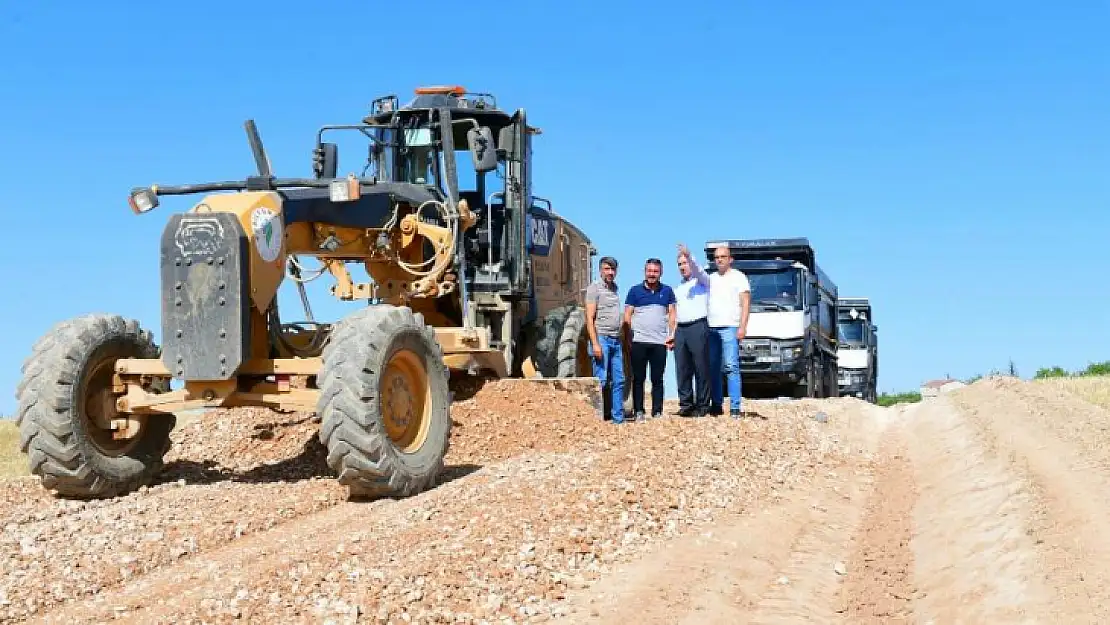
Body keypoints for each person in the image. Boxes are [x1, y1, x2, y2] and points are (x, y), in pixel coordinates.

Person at [622, 257, 677, 421]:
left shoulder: (667, 291)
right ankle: (639, 411)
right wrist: (627, 338)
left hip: (660, 342)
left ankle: (657, 411)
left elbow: (672, 313)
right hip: (638, 342)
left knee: (657, 379)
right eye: (649, 271)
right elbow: (627, 315)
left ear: (661, 273)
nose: (652, 274)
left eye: (655, 271)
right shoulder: (634, 291)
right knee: (638, 378)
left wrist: (672, 334)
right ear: (645, 272)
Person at [707, 245, 751, 417]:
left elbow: (746, 303)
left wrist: (742, 326)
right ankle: (716, 404)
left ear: (730, 259)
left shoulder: (739, 277)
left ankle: (735, 406)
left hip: (730, 326)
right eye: (717, 257)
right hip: (712, 327)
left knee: (731, 366)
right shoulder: (711, 278)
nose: (719, 259)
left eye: (723, 256)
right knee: (714, 367)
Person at [672, 243, 712, 417]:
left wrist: (690, 255)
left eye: (685, 263)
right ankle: (686, 404)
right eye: (680, 264)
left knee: (700, 367)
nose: (683, 267)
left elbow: (699, 270)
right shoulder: (678, 289)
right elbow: (673, 312)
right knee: (682, 367)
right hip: (681, 329)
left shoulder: (702, 282)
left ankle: (703, 405)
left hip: (698, 326)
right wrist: (671, 333)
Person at [585, 256, 626, 423]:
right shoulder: (594, 288)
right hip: (601, 338)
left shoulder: (614, 289)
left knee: (619, 380)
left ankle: (618, 418)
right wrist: (595, 343)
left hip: (616, 340)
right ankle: (597, 419)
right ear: (600, 270)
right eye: (606, 269)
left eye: (612, 269)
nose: (610, 272)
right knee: (601, 380)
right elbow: (589, 318)